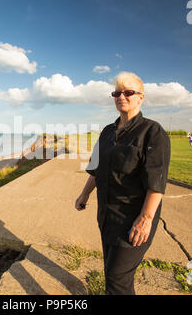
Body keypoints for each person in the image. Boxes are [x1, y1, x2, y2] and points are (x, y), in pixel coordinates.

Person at [74, 72, 171, 295]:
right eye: (117, 93)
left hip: (133, 220)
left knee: (117, 280)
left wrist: (145, 219)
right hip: (107, 216)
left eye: (128, 92)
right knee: (113, 273)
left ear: (140, 97)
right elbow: (96, 170)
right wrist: (84, 195)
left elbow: (157, 182)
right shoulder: (108, 132)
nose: (122, 96)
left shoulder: (152, 132)